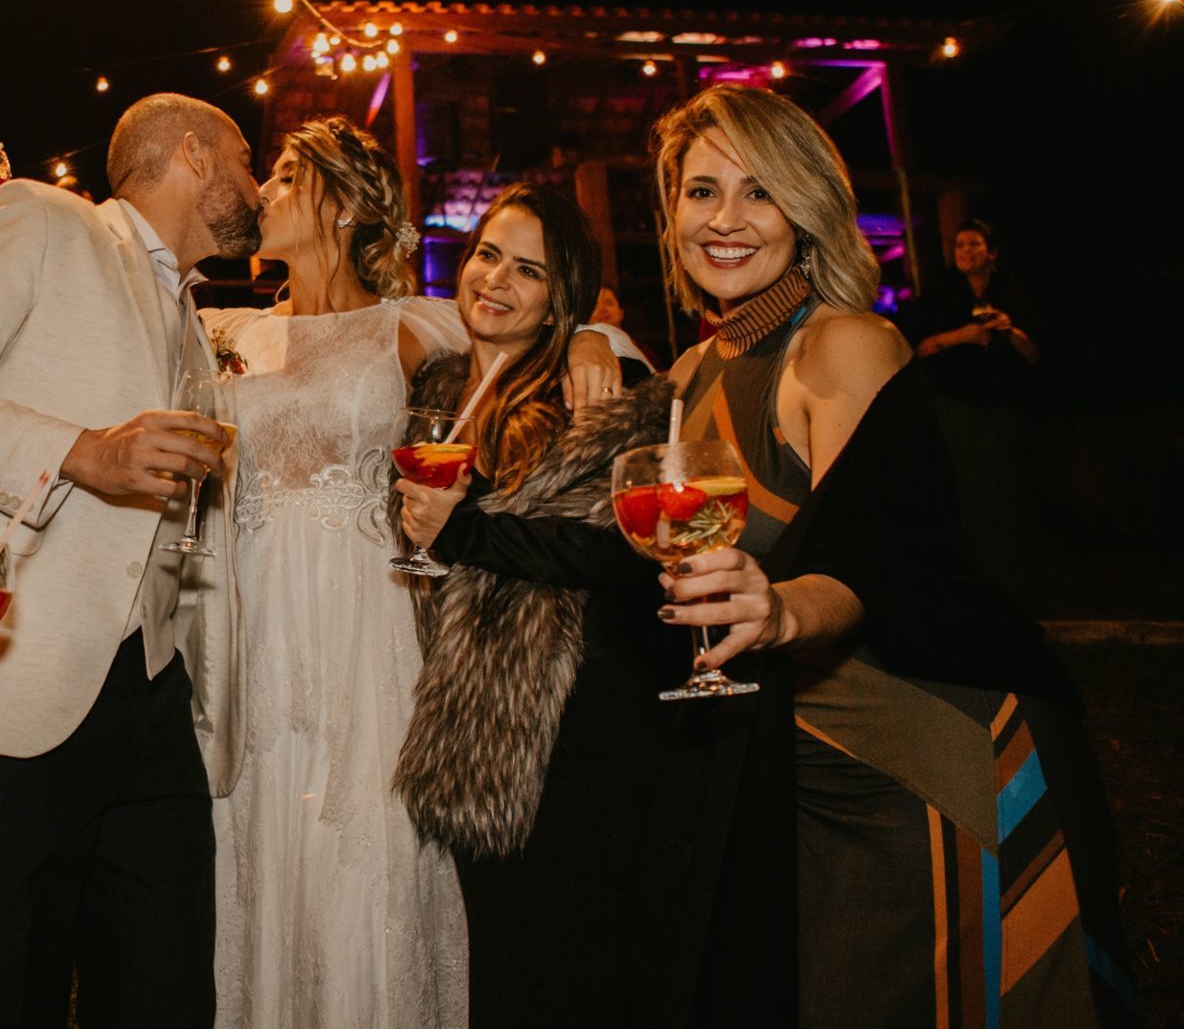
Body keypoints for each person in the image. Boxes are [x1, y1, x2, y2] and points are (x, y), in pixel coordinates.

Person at [638, 86, 1128, 1024]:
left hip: (922, 750)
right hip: (794, 761)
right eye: (702, 193)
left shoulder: (844, 346)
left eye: (759, 193)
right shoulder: (690, 374)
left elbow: (879, 550)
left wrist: (780, 610)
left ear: (806, 211)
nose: (726, 220)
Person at [0, 92, 255, 1027]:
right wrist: (80, 452)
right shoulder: (37, 216)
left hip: (151, 689)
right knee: (0, 988)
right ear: (193, 153)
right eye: (244, 161)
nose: (253, 186)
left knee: (166, 985)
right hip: (9, 681)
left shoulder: (192, 312)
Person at [201, 116, 473, 1026]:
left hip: (366, 622)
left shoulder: (407, 325)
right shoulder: (229, 330)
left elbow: (548, 325)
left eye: (287, 174)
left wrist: (594, 343)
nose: (266, 192)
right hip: (252, 620)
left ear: (347, 203)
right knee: (261, 842)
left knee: (363, 856)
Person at [391, 182, 673, 1027]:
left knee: (575, 964)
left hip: (578, 716)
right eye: (487, 255)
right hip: (467, 719)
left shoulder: (602, 387)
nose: (496, 282)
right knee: (499, 962)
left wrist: (465, 533)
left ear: (564, 296)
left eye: (529, 271)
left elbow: (620, 548)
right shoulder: (438, 383)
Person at [905, 217, 1042, 606]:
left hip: (1003, 410)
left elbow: (1035, 355)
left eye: (974, 245)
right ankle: (966, 587)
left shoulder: (1011, 294)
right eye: (961, 245)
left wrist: (1010, 330)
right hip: (955, 410)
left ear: (992, 253)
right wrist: (960, 337)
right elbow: (916, 347)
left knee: (1007, 495)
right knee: (964, 494)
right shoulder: (939, 296)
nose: (965, 252)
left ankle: (1015, 586)